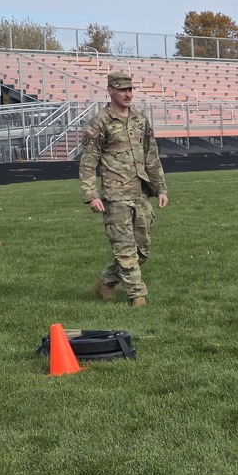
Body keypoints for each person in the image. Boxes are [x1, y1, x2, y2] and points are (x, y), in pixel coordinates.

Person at [80, 71, 169, 307]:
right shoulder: (99, 123)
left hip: (140, 193)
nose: (128, 94)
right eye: (122, 90)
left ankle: (106, 282)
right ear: (110, 91)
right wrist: (91, 195)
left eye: (130, 90)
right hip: (115, 196)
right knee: (125, 248)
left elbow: (152, 156)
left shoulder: (140, 120)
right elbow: (88, 163)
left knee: (142, 250)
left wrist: (160, 188)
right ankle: (137, 296)